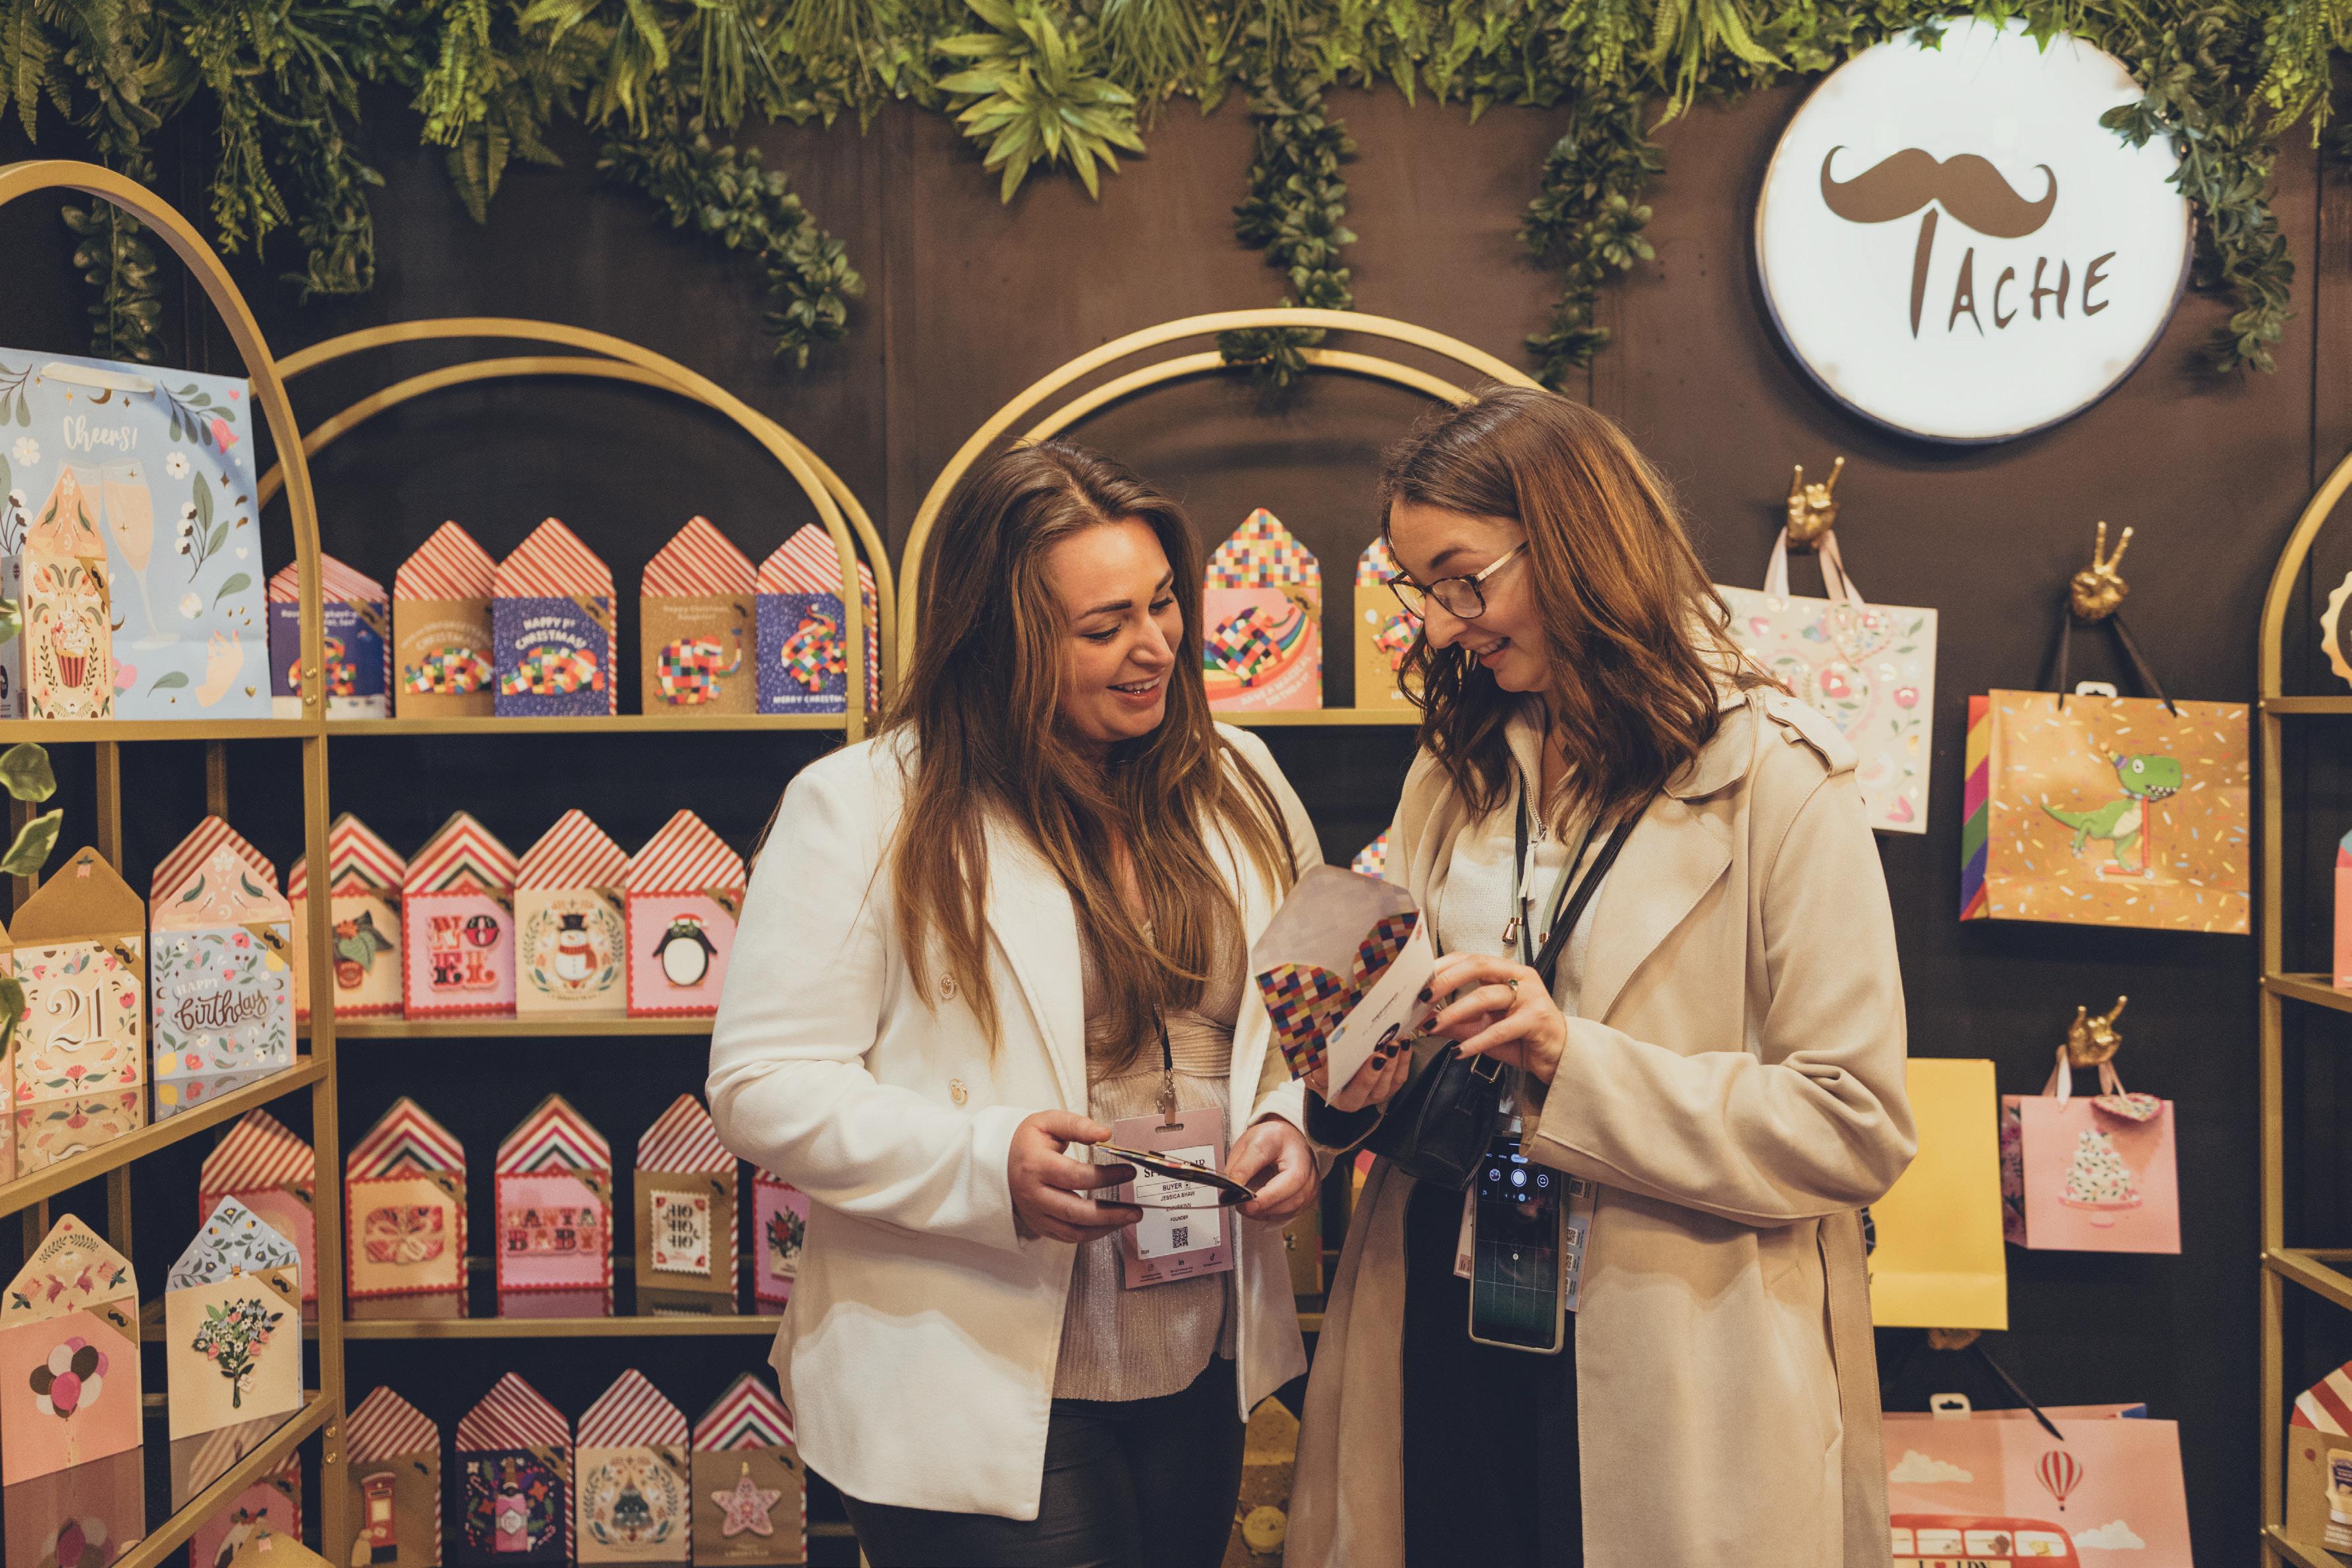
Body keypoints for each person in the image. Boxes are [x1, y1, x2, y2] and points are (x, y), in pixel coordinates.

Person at [1285, 387, 1915, 1568]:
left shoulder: (1778, 782)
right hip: (1441, 1309)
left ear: (1573, 543)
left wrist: (1570, 1060)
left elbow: (1853, 1125)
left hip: (1675, 1350)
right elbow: (1400, 1032)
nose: (1441, 629)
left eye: (1462, 582)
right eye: (1420, 591)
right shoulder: (1457, 771)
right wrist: (1346, 1076)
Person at [707, 440, 1325, 1568]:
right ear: (999, 639)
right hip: (970, 1362)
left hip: (1197, 1347)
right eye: (1102, 627)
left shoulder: (1239, 778)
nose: (1154, 647)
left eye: (1162, 604)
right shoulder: (864, 807)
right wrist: (985, 1162)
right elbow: (761, 1087)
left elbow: (1303, 1014)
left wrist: (1292, 1120)